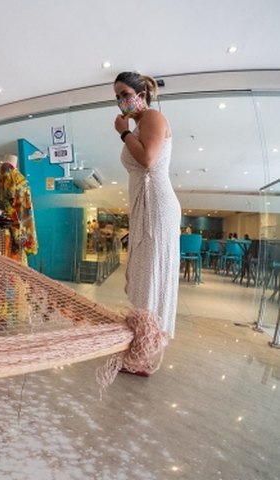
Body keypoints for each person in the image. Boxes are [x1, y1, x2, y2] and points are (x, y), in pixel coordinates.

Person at [113, 71, 181, 356]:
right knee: (144, 274)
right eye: (117, 97)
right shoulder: (140, 124)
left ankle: (147, 346)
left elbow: (149, 160)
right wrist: (129, 131)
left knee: (151, 273)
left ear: (142, 95)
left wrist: (124, 132)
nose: (121, 101)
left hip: (157, 203)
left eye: (126, 94)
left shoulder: (153, 117)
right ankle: (143, 340)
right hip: (146, 204)